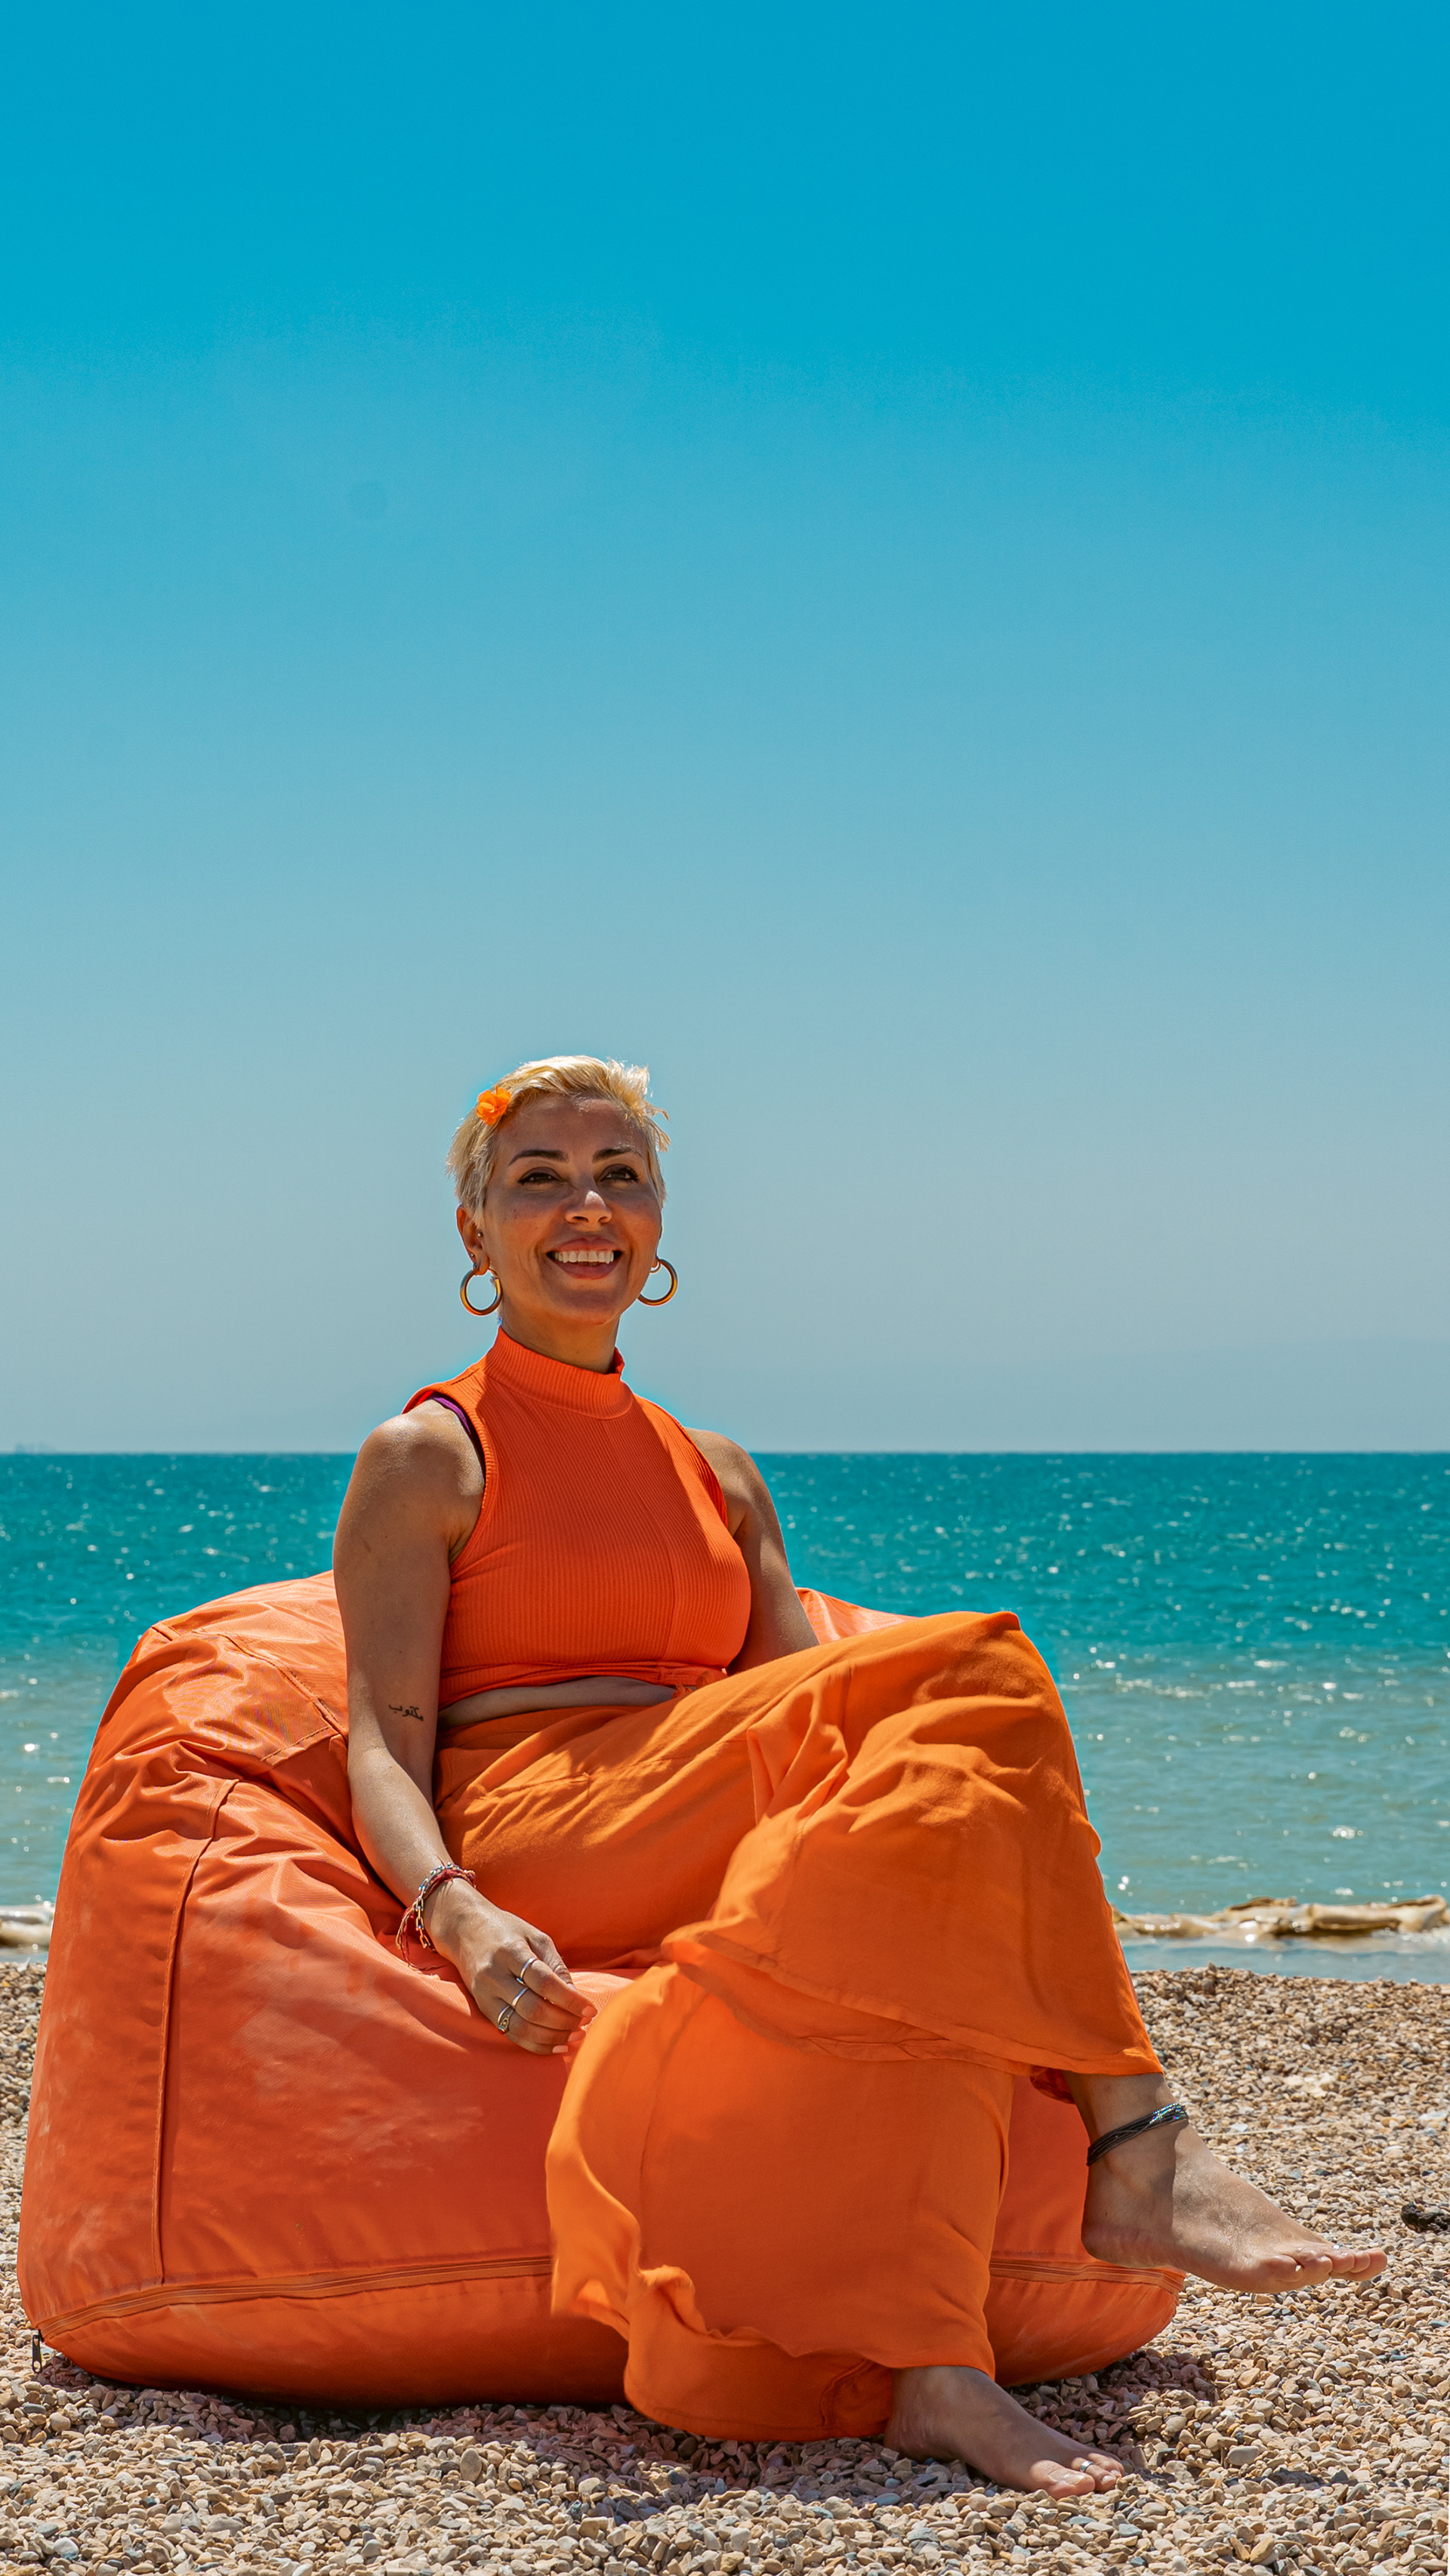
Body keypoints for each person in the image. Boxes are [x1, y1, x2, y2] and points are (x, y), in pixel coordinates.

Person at [335, 1055, 1384, 2496]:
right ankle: (1142, 2142)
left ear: (659, 1217)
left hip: (702, 1796)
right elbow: (379, 1739)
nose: (587, 1206)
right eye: (541, 1179)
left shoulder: (717, 1470)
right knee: (983, 1659)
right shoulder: (428, 1452)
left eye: (620, 1174)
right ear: (475, 1230)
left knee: (928, 1889)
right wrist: (457, 1913)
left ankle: (939, 2375)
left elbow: (807, 1708)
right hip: (549, 1818)